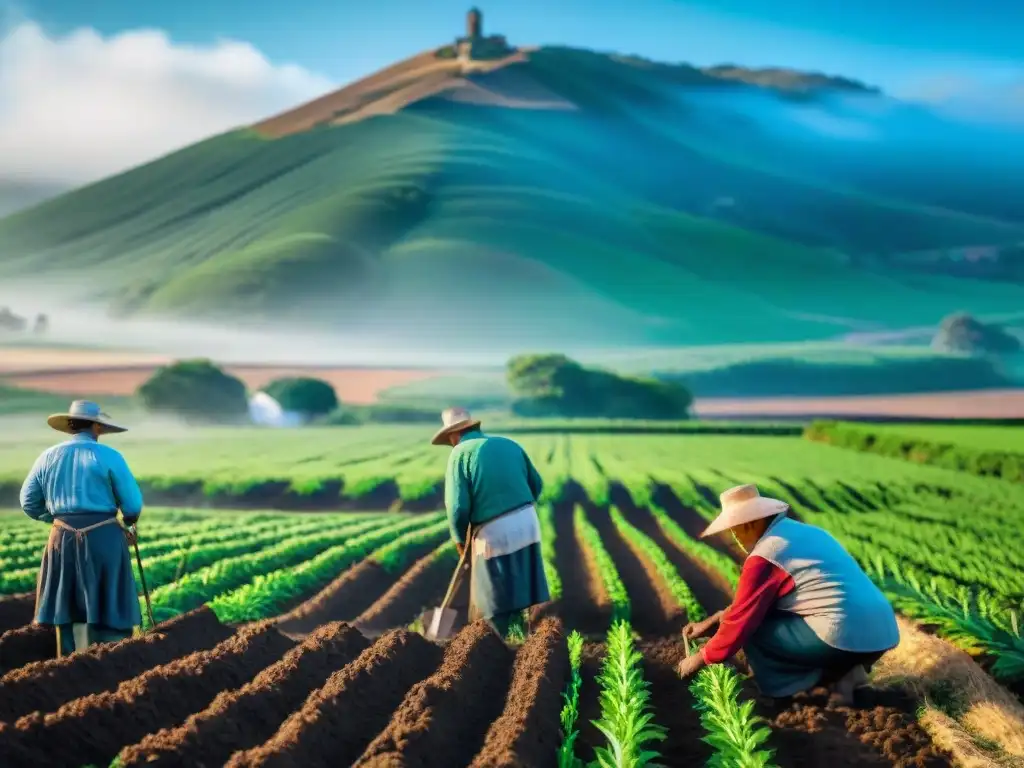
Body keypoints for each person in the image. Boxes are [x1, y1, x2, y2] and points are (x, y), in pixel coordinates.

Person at [676, 483, 899, 704]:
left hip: (842, 635)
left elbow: (742, 621)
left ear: (749, 523)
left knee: (756, 630)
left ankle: (781, 694)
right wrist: (715, 619)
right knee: (781, 617)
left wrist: (700, 658)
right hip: (882, 632)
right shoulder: (809, 533)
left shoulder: (765, 556)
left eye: (734, 530)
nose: (735, 538)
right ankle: (845, 676)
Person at [19, 400, 144, 657]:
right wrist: (129, 524)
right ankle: (111, 658)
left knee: (66, 604)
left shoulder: (47, 456)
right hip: (104, 536)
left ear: (70, 426)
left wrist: (55, 521)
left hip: (61, 537)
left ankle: (70, 664)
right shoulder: (110, 456)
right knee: (109, 600)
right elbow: (132, 505)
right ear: (97, 426)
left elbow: (28, 503)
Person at [432, 406, 549, 639]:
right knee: (518, 584)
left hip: (494, 529)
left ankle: (498, 645)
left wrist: (458, 539)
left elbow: (457, 506)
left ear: (453, 435)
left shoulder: (460, 453)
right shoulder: (509, 444)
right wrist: (516, 508)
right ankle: (521, 639)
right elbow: (536, 483)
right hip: (528, 521)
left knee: (492, 593)